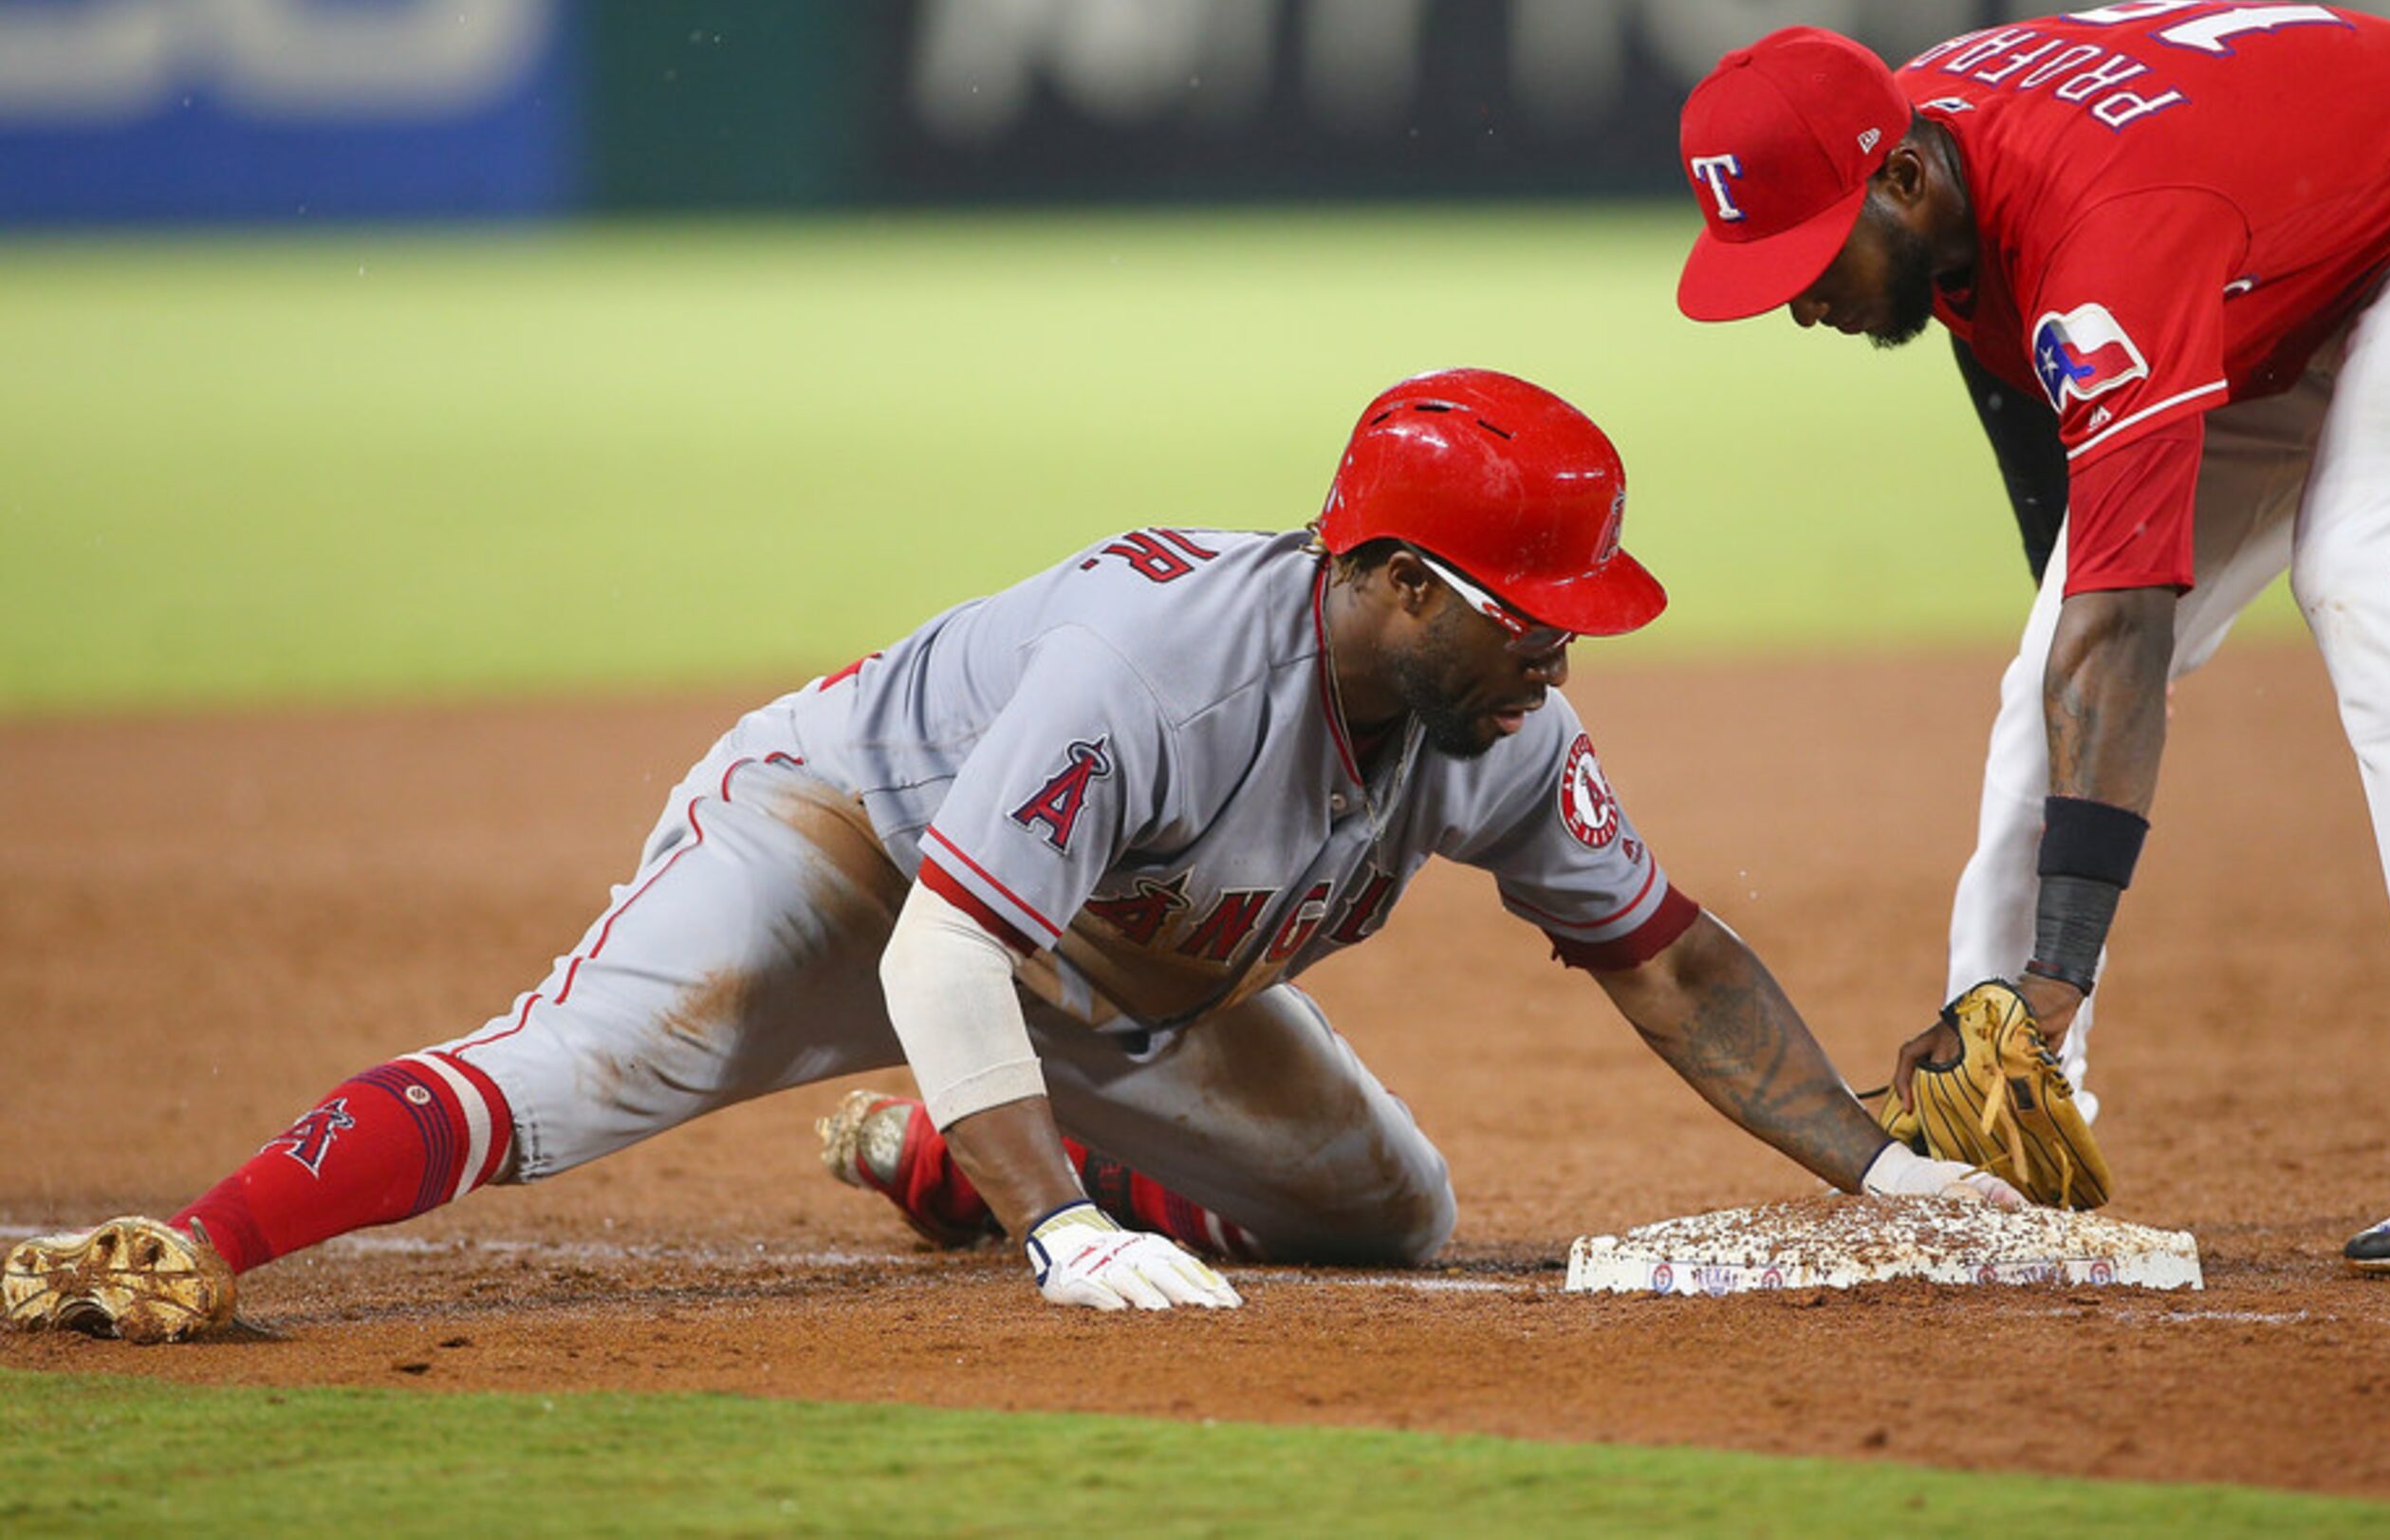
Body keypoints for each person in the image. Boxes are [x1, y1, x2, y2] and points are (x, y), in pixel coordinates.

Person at [6, 367, 2018, 1342]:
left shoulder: (1491, 724)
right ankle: (196, 1243)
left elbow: (1662, 952)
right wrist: (1070, 1247)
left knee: (1388, 1213)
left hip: (1112, 971)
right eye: (1529, 601)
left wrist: (1893, 1166)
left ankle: (949, 1161)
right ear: (1398, 584)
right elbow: (941, 961)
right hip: (857, 858)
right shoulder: (1147, 668)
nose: (1566, 639)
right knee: (572, 1078)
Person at [1671, 0, 2390, 1273]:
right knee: (2049, 667)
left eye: (1809, 263)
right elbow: (2024, 386)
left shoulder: (2104, 231)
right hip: (2268, 270)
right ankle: (2006, 1098)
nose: (1798, 306)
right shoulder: (1927, 152)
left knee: (2371, 577)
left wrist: (2062, 964)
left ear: (1905, 175)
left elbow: (2127, 628)